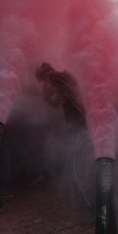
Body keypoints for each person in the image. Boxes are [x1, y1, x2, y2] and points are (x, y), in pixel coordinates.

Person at [35, 62, 94, 210]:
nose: (46, 83)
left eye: (44, 79)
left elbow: (57, 102)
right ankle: (86, 201)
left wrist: (46, 95)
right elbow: (63, 99)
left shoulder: (58, 78)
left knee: (76, 167)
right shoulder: (64, 76)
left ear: (46, 73)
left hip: (79, 126)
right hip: (78, 125)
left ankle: (90, 207)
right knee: (81, 163)